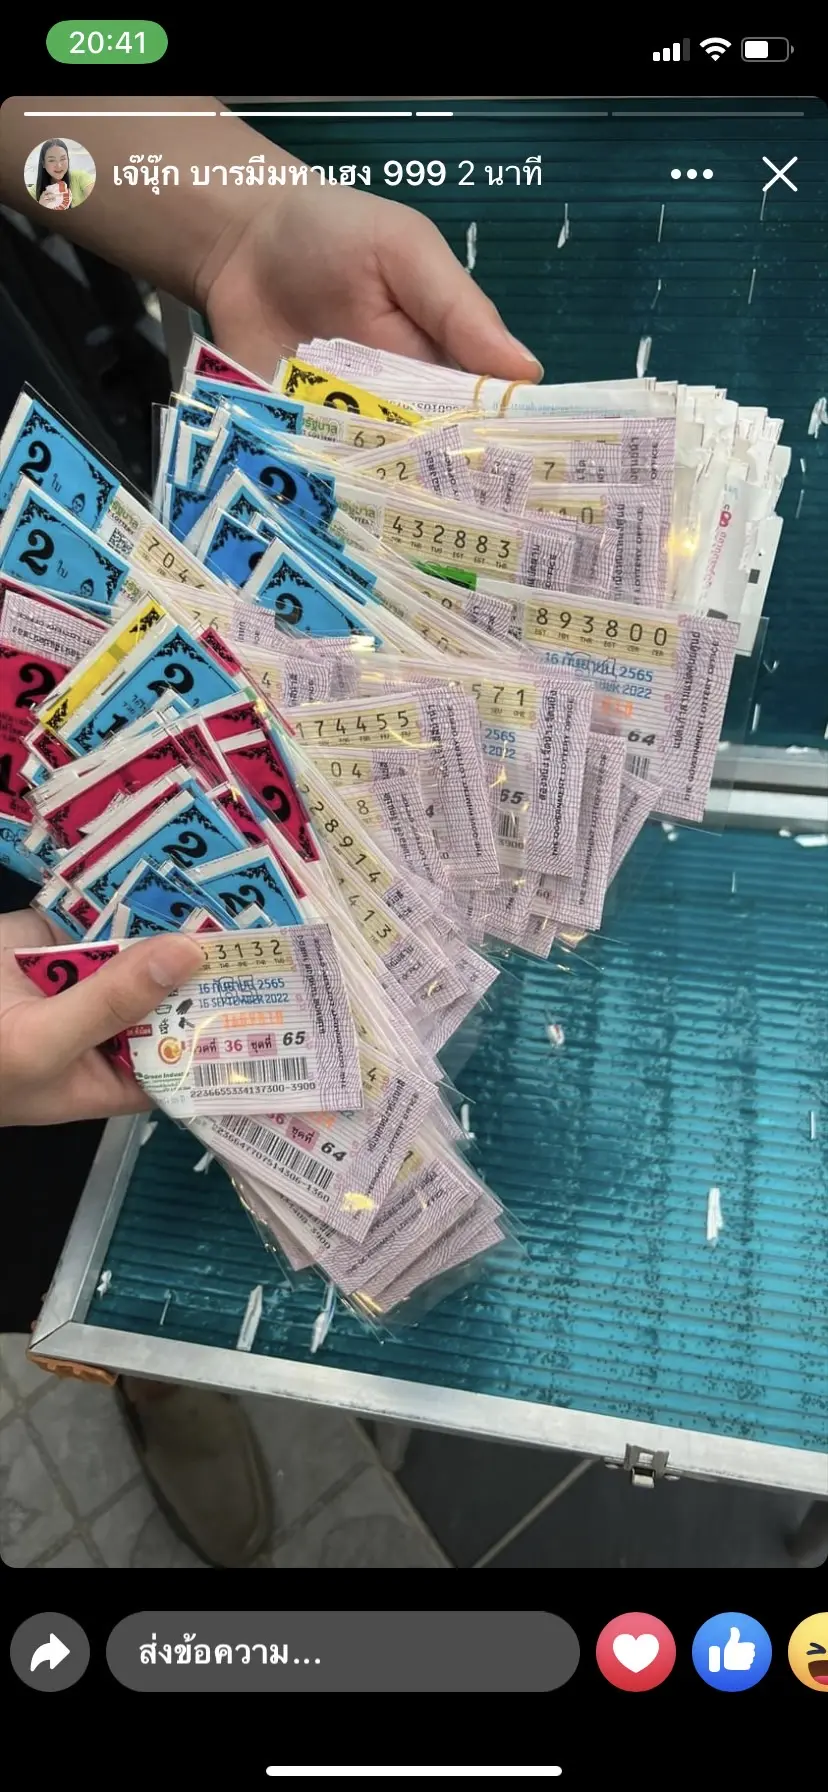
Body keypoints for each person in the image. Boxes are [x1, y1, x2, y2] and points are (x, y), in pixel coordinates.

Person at [0, 95, 541, 1567]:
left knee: (309, 933)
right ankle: (148, 1364)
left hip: (92, 541)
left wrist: (233, 221)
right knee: (72, 1195)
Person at [26, 137, 95, 210]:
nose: (59, 165)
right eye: (52, 160)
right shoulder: (34, 192)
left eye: (63, 159)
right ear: (43, 164)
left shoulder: (80, 177)